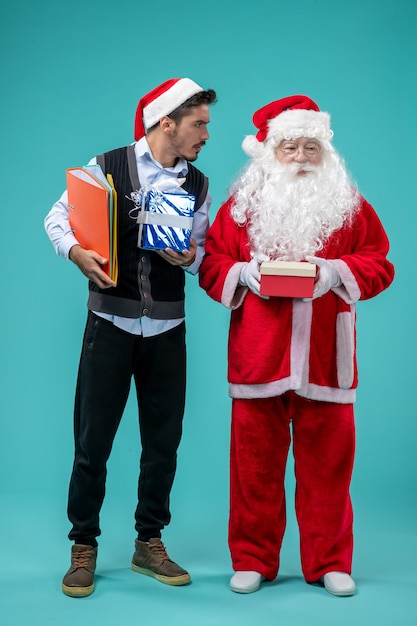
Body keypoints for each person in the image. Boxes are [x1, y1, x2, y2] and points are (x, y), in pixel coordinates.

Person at [199, 95, 394, 597]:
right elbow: (212, 264)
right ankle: (253, 559)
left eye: (312, 147)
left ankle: (330, 562)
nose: (303, 157)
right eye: (291, 147)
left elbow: (380, 262)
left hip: (328, 360)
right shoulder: (240, 210)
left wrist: (336, 272)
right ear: (270, 153)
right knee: (254, 470)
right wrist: (244, 273)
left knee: (328, 468)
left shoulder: (350, 208)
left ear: (326, 154)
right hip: (258, 356)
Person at [45, 78, 217, 597]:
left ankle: (149, 541)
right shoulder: (107, 165)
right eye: (199, 124)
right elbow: (58, 217)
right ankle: (84, 547)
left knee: (163, 443)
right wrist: (76, 253)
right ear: (168, 121)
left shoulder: (199, 184)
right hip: (110, 324)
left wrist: (189, 257)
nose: (206, 135)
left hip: (168, 328)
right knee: (92, 440)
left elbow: (203, 248)